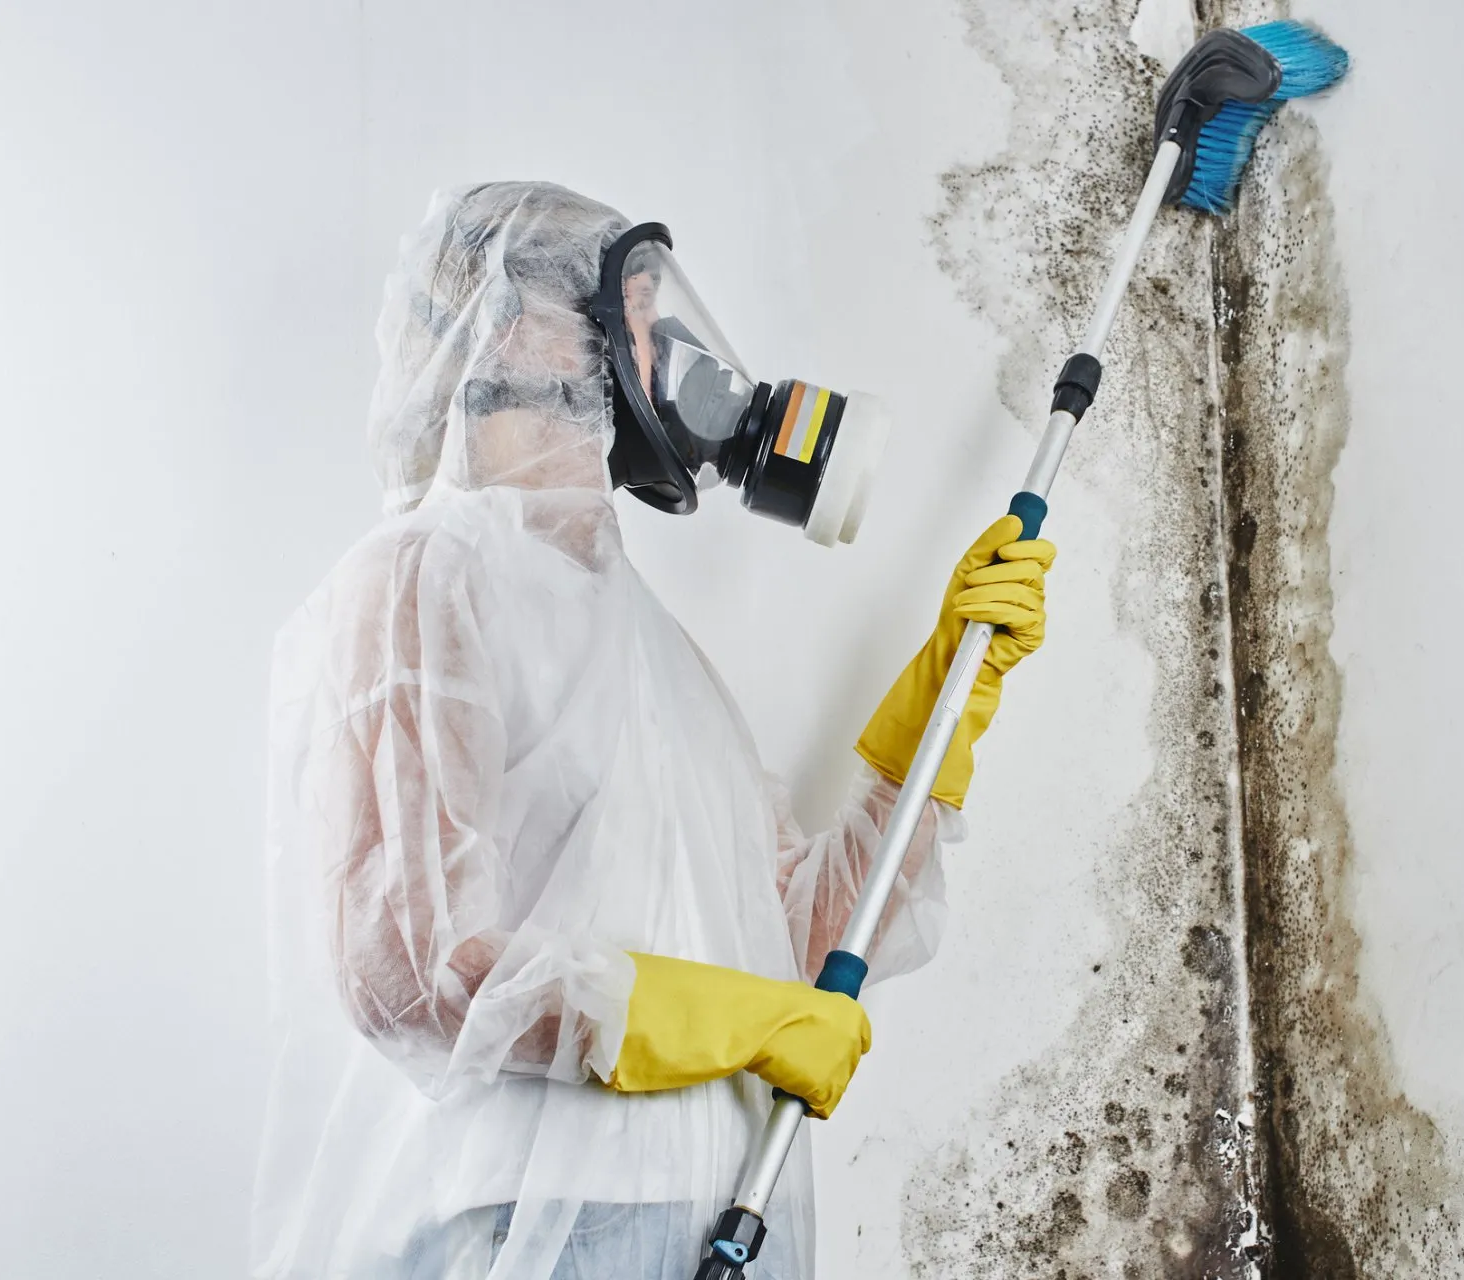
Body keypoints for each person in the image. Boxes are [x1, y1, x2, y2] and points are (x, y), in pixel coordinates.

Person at [252, 180, 1056, 1280]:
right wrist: (722, 1023)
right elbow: (407, 962)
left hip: (735, 1215)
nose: (660, 338)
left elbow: (806, 948)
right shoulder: (426, 576)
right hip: (533, 1226)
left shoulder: (657, 651)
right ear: (509, 328)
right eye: (628, 303)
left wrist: (946, 696)